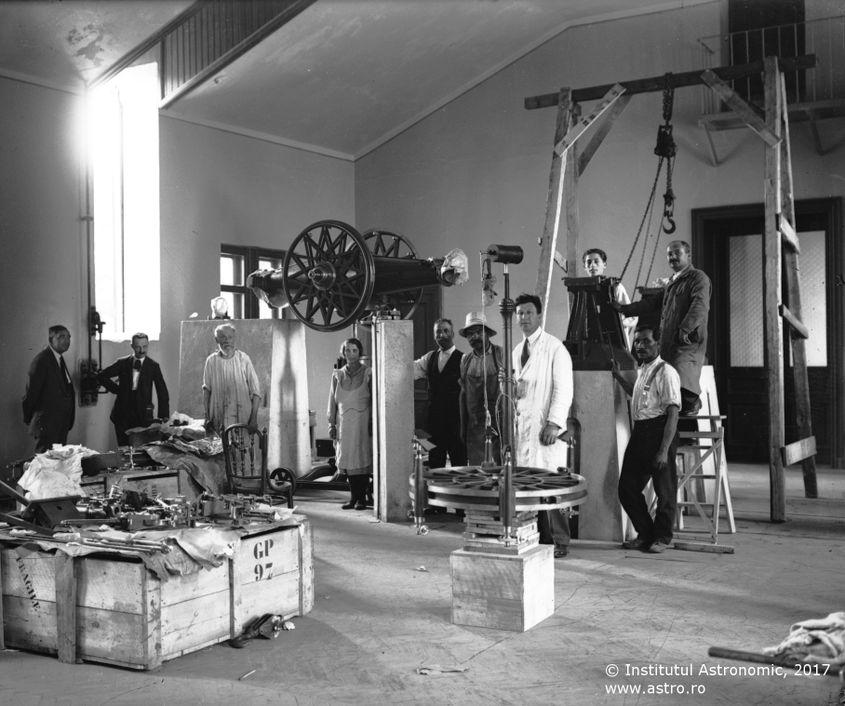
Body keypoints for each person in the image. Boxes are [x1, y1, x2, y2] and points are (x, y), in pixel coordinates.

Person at [616, 240, 711, 415]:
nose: (672, 257)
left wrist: (684, 331)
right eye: (669, 254)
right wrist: (624, 309)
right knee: (668, 384)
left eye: (677, 253)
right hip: (669, 342)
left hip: (687, 341)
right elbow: (651, 303)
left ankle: (693, 402)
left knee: (683, 377)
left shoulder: (698, 278)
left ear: (688, 255)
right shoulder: (673, 282)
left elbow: (699, 306)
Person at [512, 293, 573, 558]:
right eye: (520, 313)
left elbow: (564, 389)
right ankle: (536, 537)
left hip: (545, 429)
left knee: (552, 485)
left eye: (528, 313)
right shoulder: (517, 350)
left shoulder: (555, 348)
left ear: (539, 316)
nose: (524, 318)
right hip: (525, 429)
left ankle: (560, 540)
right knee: (528, 485)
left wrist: (554, 423)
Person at [611, 324, 681, 553]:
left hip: (660, 431)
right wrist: (618, 377)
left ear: (657, 343)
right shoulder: (643, 369)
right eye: (637, 341)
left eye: (646, 341)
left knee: (664, 491)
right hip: (641, 432)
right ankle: (646, 534)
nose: (640, 345)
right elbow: (639, 396)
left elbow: (673, 413)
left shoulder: (667, 372)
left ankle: (662, 538)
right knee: (627, 488)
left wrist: (663, 450)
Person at [97, 333, 170, 446]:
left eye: (144, 346)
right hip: (122, 413)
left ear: (148, 345)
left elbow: (162, 390)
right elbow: (102, 376)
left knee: (142, 448)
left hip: (143, 415)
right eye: (138, 347)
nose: (141, 350)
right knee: (124, 448)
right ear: (132, 346)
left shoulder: (153, 366)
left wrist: (163, 415)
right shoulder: (122, 363)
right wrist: (117, 390)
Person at [413, 318, 466, 468]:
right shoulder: (430, 357)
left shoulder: (463, 359)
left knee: (459, 464)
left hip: (456, 421)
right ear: (434, 335)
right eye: (438, 332)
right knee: (435, 463)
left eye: (445, 331)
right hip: (434, 421)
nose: (441, 334)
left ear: (452, 334)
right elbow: (410, 370)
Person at [327, 338, 373, 510]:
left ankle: (362, 499)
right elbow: (332, 401)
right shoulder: (337, 375)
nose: (351, 354)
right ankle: (353, 498)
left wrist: (372, 422)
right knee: (348, 460)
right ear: (343, 352)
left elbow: (374, 401)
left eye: (354, 350)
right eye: (347, 350)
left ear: (359, 352)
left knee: (361, 459)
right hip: (344, 423)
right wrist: (331, 424)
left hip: (362, 422)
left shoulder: (368, 373)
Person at [458, 312, 504, 466]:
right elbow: (463, 395)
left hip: (499, 425)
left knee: (500, 468)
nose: (474, 337)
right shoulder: (465, 360)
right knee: (478, 470)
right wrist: (463, 426)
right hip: (475, 427)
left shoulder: (501, 354)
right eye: (470, 334)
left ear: (487, 333)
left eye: (478, 332)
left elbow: (511, 391)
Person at [22, 325, 75, 452]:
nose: (67, 340)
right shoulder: (42, 360)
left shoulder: (59, 359)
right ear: (51, 339)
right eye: (61, 337)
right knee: (46, 461)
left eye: (68, 337)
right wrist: (33, 419)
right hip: (47, 425)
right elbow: (31, 394)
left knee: (57, 460)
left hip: (60, 424)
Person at [202, 323, 261, 434]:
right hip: (218, 416)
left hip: (242, 417)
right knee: (220, 444)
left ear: (234, 339)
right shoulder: (211, 361)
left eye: (230, 337)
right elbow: (206, 391)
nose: (227, 341)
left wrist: (253, 419)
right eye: (223, 337)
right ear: (216, 340)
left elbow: (256, 392)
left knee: (241, 444)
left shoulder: (243, 359)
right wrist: (207, 416)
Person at [583, 248, 637, 344]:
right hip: (592, 342)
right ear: (585, 267)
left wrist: (617, 322)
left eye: (596, 261)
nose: (592, 265)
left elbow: (633, 317)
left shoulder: (615, 287)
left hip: (615, 342)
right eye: (589, 262)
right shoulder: (582, 290)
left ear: (604, 265)